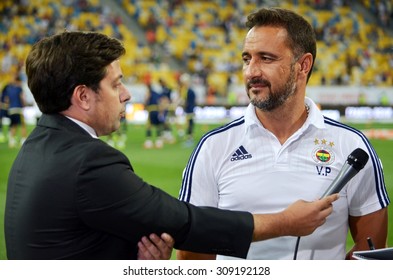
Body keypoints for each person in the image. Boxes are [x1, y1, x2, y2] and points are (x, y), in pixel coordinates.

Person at [4, 30, 338, 260]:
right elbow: (181, 221)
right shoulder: (89, 161)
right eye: (116, 83)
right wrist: (285, 222)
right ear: (83, 96)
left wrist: (138, 264)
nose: (126, 94)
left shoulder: (37, 145)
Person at [177, 7, 390, 260]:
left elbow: (370, 249)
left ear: (303, 65)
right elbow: (193, 254)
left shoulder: (352, 146)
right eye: (247, 59)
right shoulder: (213, 146)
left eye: (266, 58)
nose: (251, 71)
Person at [1, 75, 27, 147]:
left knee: (13, 125)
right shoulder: (19, 88)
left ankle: (11, 141)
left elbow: (6, 100)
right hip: (18, 109)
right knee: (23, 125)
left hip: (11, 109)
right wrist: (24, 104)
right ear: (18, 81)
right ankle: (23, 140)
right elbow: (22, 97)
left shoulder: (9, 89)